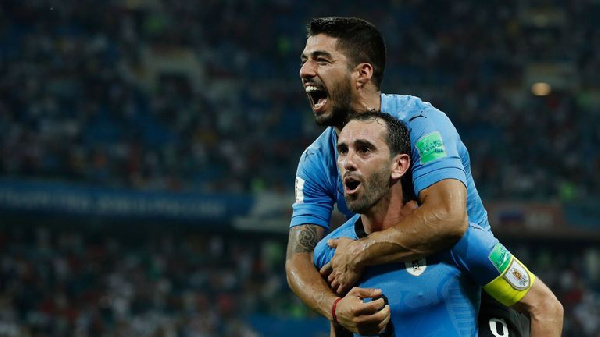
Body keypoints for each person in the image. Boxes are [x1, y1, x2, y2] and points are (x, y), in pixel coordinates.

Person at [285, 16, 531, 336]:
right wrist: (334, 307)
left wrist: (361, 252)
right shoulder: (316, 160)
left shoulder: (421, 123)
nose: (305, 70)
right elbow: (297, 261)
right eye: (304, 60)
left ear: (363, 73)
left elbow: (448, 218)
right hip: (395, 288)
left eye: (321, 59)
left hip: (471, 284)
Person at [313, 111, 563, 336]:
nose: (348, 162)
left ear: (399, 166)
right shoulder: (332, 253)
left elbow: (546, 308)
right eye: (343, 150)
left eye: (364, 150)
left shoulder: (458, 239)